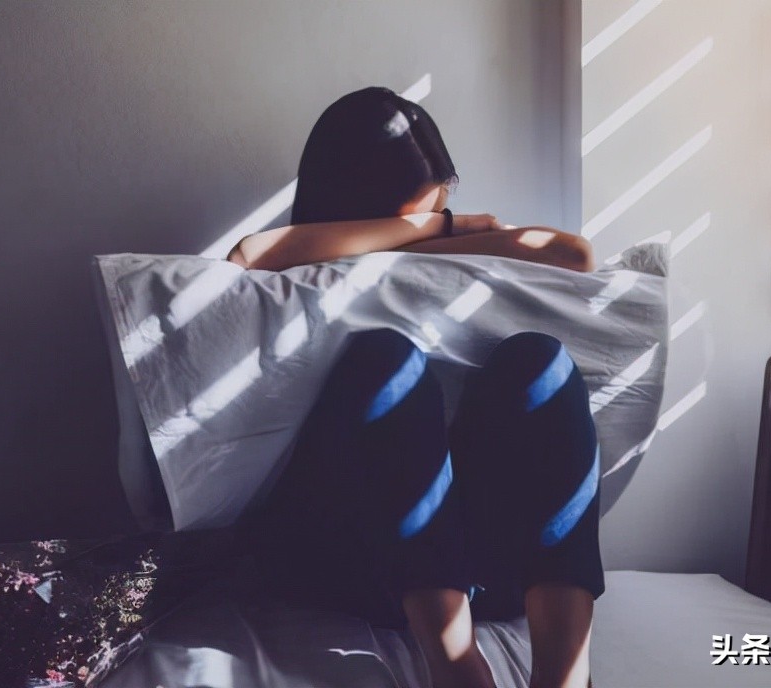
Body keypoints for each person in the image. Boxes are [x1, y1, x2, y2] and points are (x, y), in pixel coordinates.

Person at [229, 87, 602, 688]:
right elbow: (250, 255)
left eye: (440, 206)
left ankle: (564, 677)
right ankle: (457, 669)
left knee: (541, 362)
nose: (434, 223)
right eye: (416, 216)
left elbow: (573, 254)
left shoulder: (464, 250)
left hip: (474, 564)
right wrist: (431, 228)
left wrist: (447, 236)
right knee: (387, 361)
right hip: (351, 559)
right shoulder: (303, 263)